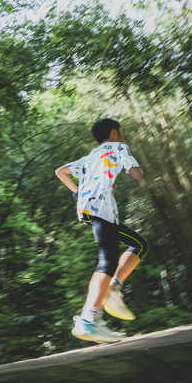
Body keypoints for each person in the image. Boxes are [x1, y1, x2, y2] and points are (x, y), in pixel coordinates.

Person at [55, 117, 149, 344]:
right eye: (121, 133)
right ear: (114, 133)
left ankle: (112, 288)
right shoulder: (119, 147)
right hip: (102, 209)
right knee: (106, 261)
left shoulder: (89, 157)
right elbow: (137, 174)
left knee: (139, 244)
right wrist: (136, 169)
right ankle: (89, 319)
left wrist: (77, 192)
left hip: (89, 210)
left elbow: (61, 172)